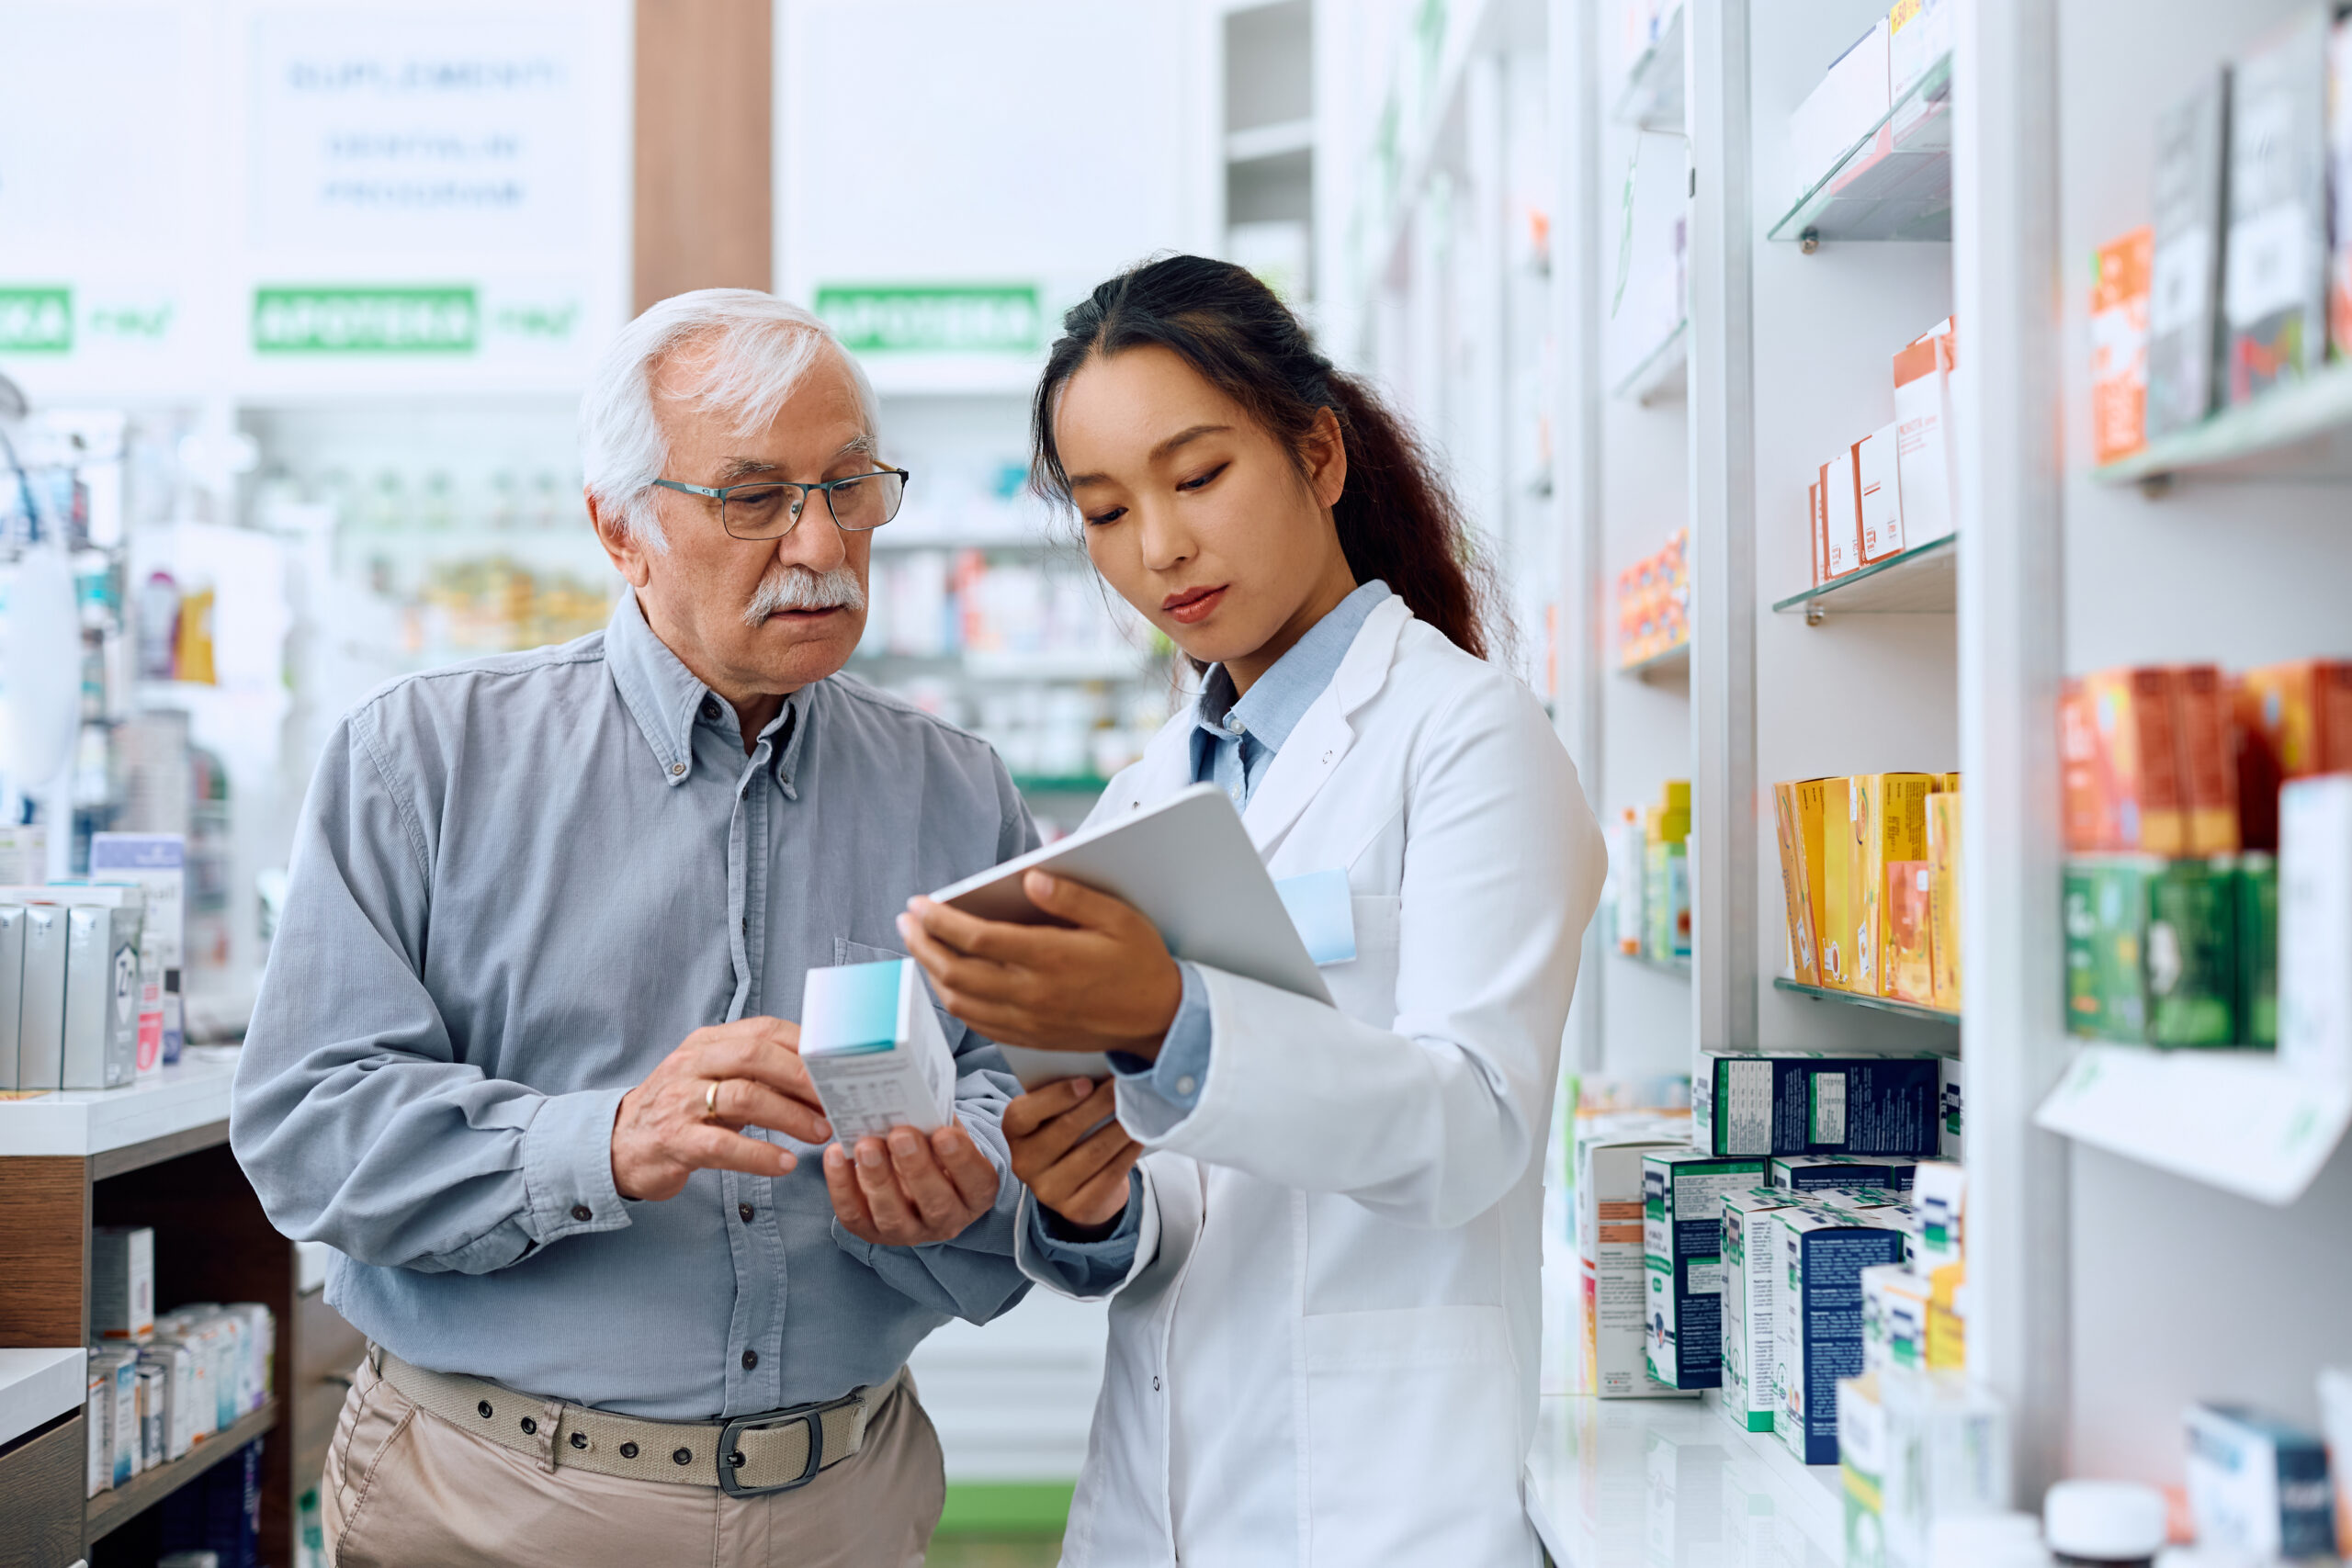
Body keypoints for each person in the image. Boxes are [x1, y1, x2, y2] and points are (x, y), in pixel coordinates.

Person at [231, 289, 1037, 1568]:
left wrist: (975, 1174)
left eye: (848, 486)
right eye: (755, 497)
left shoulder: (954, 787)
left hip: (851, 1502)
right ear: (620, 530)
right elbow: (310, 1124)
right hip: (493, 1506)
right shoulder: (425, 758)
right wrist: (599, 1139)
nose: (820, 541)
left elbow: (1032, 1101)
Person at [895, 255, 1608, 1565]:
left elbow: (1473, 1127)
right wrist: (1087, 1203)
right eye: (1105, 511)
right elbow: (1189, 1203)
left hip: (1387, 1504)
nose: (1158, 548)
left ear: (1320, 454)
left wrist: (1172, 1018)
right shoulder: (1144, 795)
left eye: (1198, 476)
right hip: (1153, 1504)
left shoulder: (1467, 741)